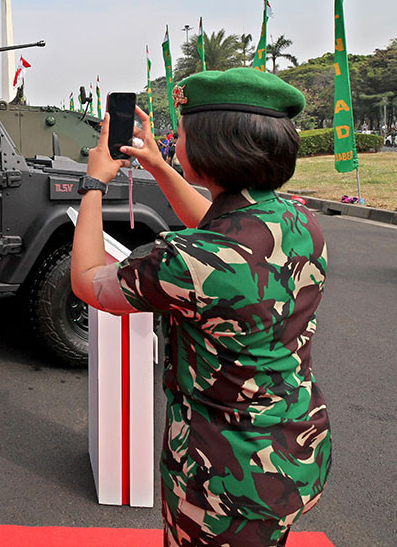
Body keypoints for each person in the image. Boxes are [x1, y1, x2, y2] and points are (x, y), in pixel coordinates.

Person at [70, 67, 330, 546]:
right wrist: (157, 165)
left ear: (214, 147)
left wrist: (92, 183)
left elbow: (88, 283)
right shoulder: (299, 219)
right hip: (294, 449)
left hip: (222, 481)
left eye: (181, 135)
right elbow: (218, 225)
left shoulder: (184, 260)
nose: (173, 142)